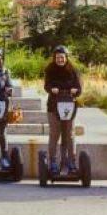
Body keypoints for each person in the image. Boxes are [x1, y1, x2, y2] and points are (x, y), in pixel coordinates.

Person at [43, 45, 83, 176]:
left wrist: (75, 91)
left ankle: (71, 161)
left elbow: (79, 88)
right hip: (53, 106)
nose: (60, 59)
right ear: (54, 58)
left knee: (70, 135)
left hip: (69, 105)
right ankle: (53, 161)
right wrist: (51, 89)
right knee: (55, 134)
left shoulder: (74, 71)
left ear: (66, 58)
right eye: (57, 57)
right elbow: (47, 86)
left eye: (62, 57)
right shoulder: (50, 70)